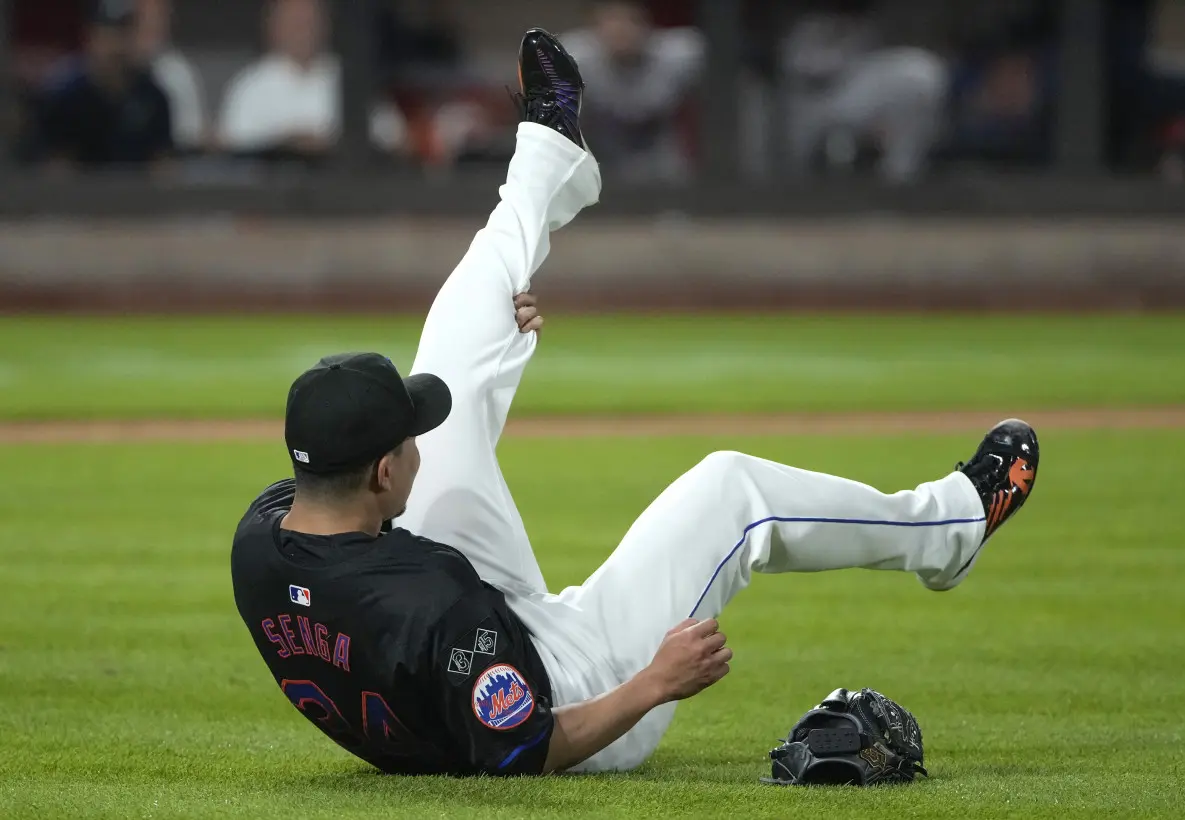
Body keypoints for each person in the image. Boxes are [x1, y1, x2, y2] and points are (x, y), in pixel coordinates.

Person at [231, 28, 1039, 777]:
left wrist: (491, 348)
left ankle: (550, 147)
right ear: (378, 473)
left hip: (445, 636)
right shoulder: (430, 603)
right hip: (575, 686)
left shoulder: (266, 537)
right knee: (733, 491)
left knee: (456, 336)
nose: (421, 440)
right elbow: (527, 747)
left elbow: (392, 566)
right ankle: (952, 529)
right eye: (408, 439)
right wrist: (653, 683)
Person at [216, 0, 407, 161]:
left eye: (309, 22)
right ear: (272, 27)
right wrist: (290, 145)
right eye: (294, 23)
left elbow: (395, 140)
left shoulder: (351, 79)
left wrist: (330, 145)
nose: (302, 30)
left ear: (325, 26)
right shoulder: (249, 86)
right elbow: (232, 151)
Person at [780, 0, 948, 183]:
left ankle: (899, 177)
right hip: (807, 106)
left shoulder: (864, 31)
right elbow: (803, 72)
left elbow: (866, 77)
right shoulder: (808, 29)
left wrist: (879, 121)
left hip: (850, 102)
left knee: (919, 73)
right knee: (798, 166)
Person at [560, 1, 704, 184]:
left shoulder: (679, 55)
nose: (621, 31)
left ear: (648, 26)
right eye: (612, 22)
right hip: (601, 153)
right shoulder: (575, 57)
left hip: (661, 155)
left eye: (630, 22)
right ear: (594, 29)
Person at [36, 0, 172, 169]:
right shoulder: (67, 99)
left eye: (123, 33)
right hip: (83, 194)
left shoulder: (153, 97)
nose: (116, 46)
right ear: (90, 38)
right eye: (107, 36)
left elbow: (163, 168)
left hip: (137, 193)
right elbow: (56, 171)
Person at [132, 0, 209, 154]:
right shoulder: (115, 66)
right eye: (147, 18)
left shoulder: (180, 71)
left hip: (170, 159)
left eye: (160, 18)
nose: (154, 25)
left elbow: (193, 134)